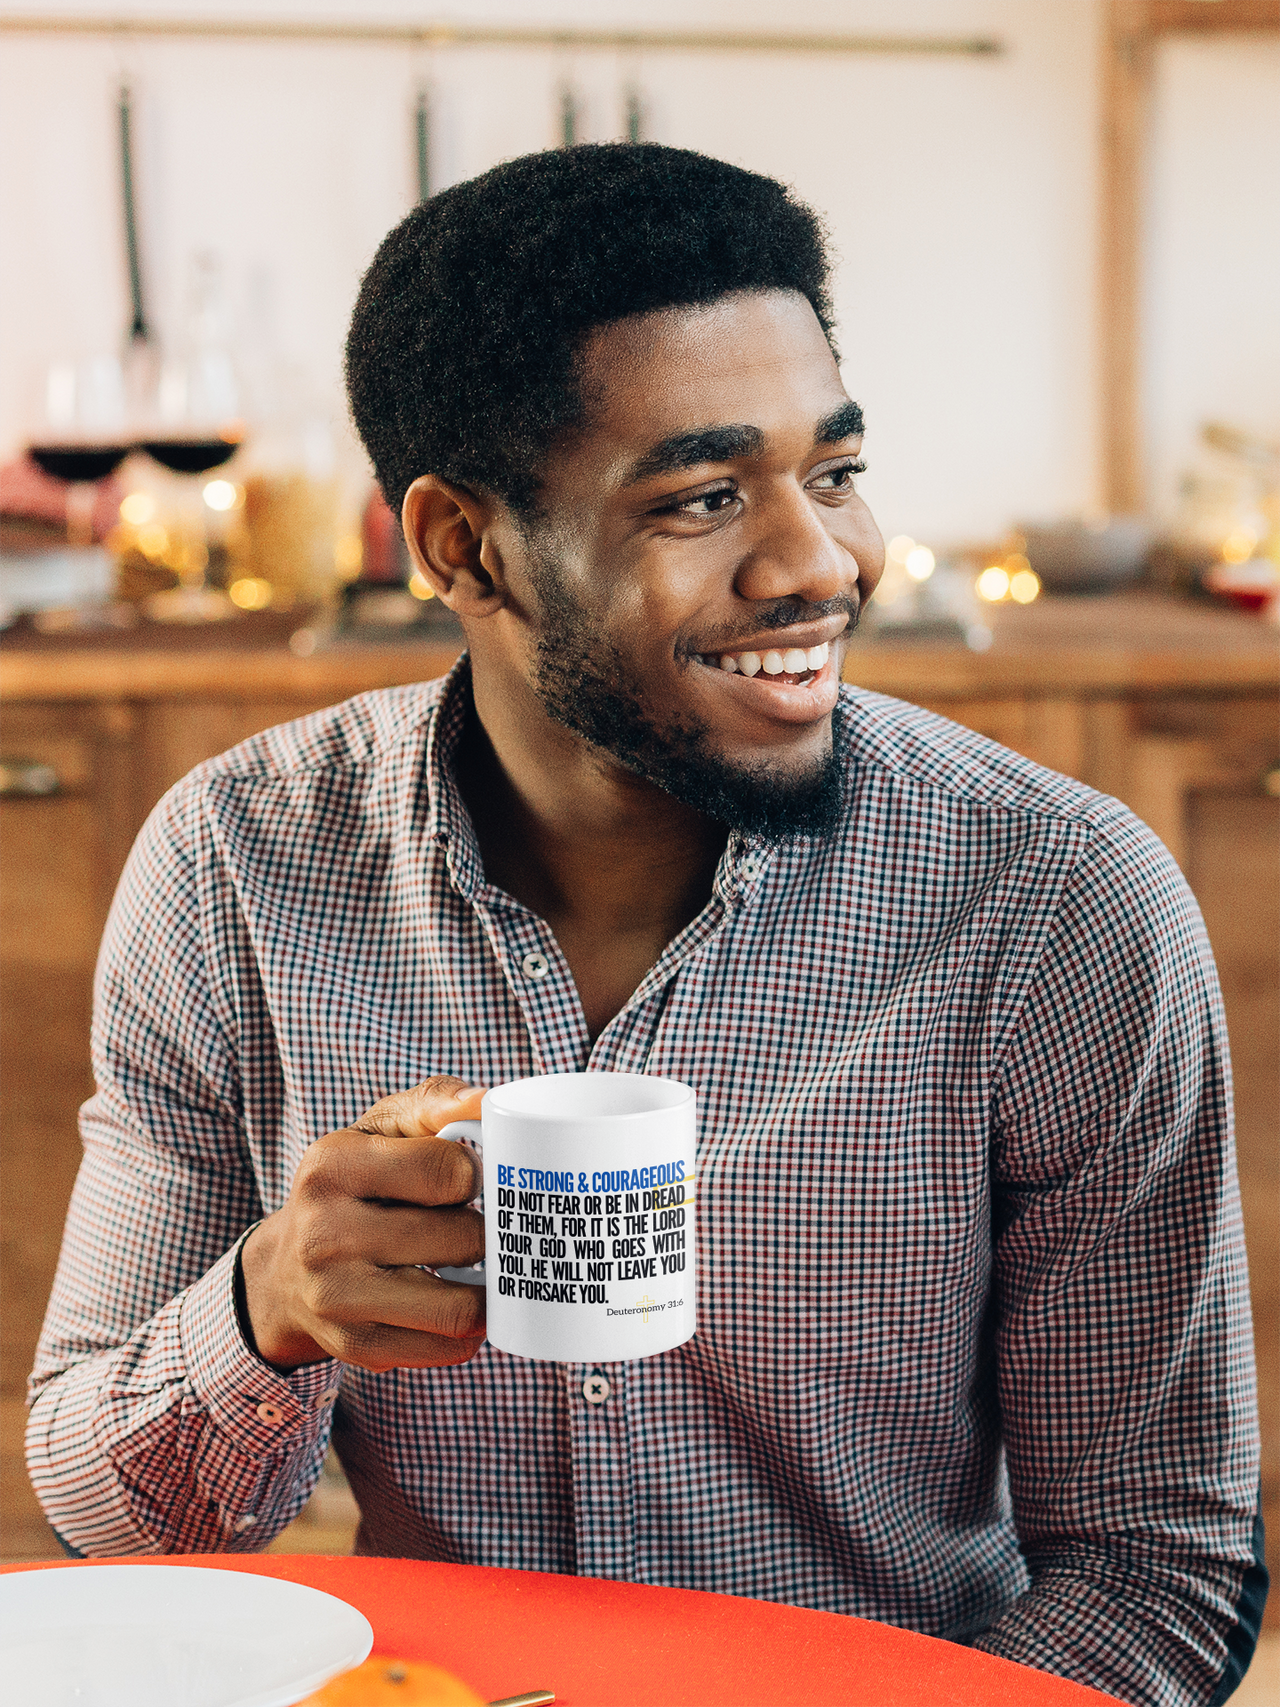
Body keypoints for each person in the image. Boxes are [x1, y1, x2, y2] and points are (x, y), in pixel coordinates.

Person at [28, 144, 1264, 1705]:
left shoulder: (1058, 902)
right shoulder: (238, 867)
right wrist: (267, 1312)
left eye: (832, 471)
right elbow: (109, 1520)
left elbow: (1160, 1569)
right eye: (701, 495)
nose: (820, 563)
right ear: (462, 547)